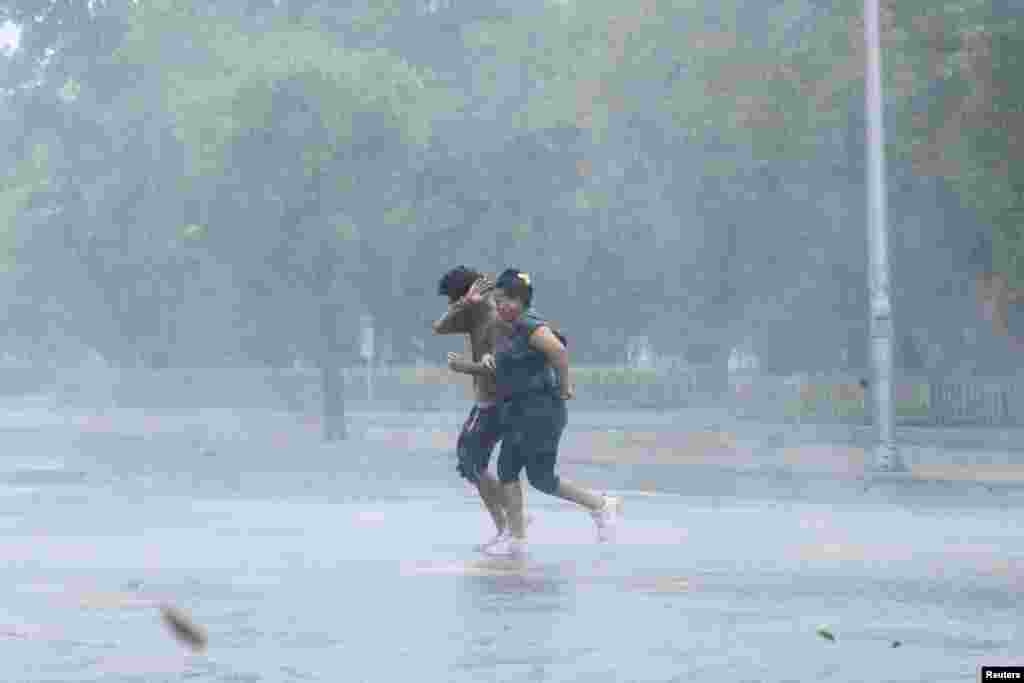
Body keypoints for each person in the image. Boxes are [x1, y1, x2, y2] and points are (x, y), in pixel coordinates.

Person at [480, 268, 621, 557]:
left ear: (521, 300)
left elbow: (558, 351)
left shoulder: (529, 324)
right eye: (497, 301)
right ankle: (517, 539)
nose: (500, 306)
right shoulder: (511, 326)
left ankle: (601, 505)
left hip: (541, 413)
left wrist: (565, 386)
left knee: (540, 478)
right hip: (521, 412)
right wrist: (489, 358)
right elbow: (511, 358)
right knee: (508, 470)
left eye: (505, 300)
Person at [433, 266, 527, 551]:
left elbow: (497, 369)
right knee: (470, 463)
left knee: (470, 462)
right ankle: (509, 522)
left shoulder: (492, 320)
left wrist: (462, 367)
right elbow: (439, 327)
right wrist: (465, 303)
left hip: (496, 403)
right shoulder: (474, 314)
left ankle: (512, 520)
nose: (450, 306)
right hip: (486, 402)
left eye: (452, 299)